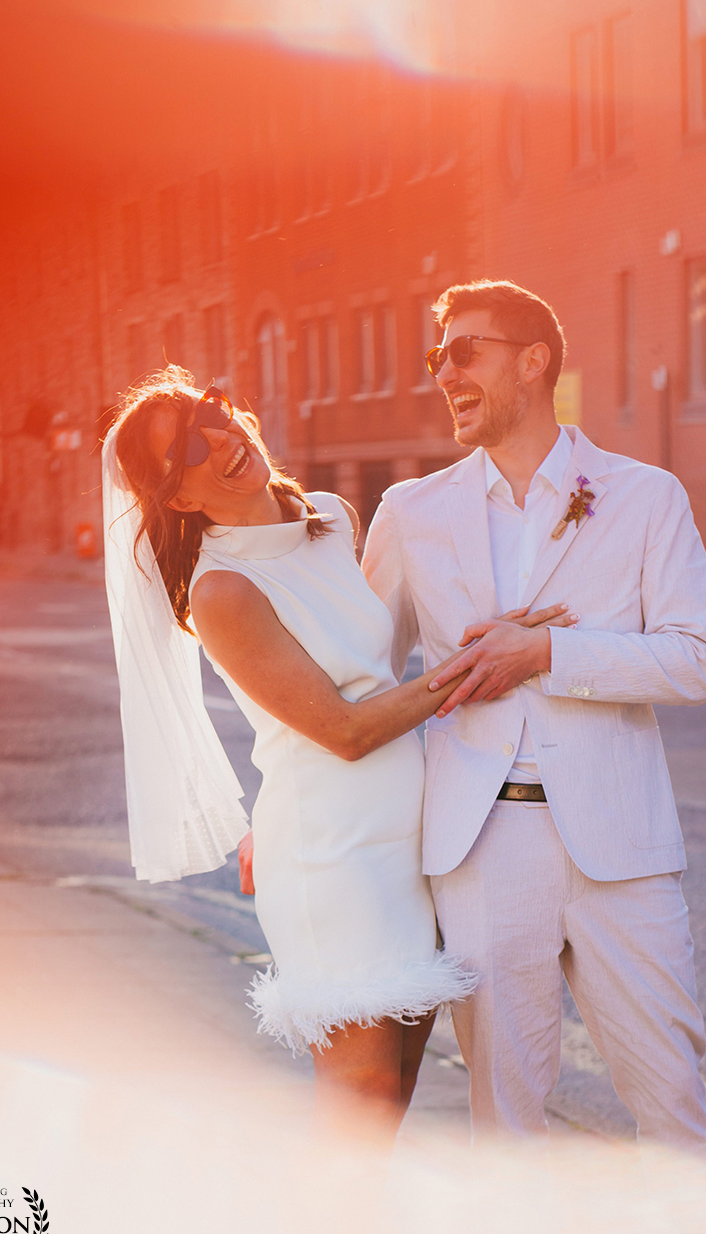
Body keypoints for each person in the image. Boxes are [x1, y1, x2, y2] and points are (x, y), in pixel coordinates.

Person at [101, 367, 573, 1141]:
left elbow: (370, 656)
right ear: (178, 499)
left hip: (414, 844)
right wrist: (483, 662)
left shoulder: (330, 516)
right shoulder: (223, 593)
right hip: (333, 857)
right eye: (188, 448)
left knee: (401, 1086)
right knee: (360, 1100)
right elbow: (343, 730)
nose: (221, 439)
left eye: (209, 413)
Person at [362, 281, 706, 1158]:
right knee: (506, 1120)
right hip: (481, 850)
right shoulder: (411, 513)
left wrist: (550, 655)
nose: (444, 373)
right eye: (435, 357)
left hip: (622, 847)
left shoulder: (645, 496)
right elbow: (359, 681)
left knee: (672, 1101)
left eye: (463, 352)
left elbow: (694, 659)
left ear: (534, 362)